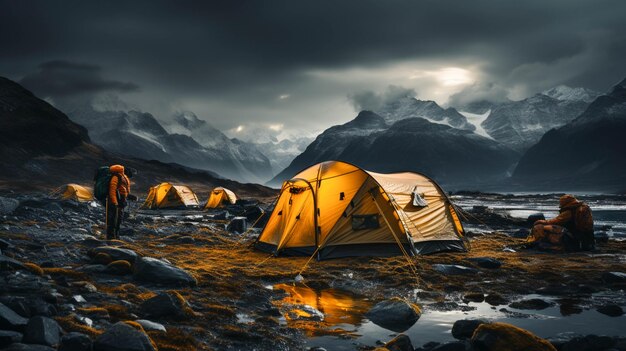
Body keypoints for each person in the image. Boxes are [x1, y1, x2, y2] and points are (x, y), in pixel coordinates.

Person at [527, 194, 594, 251]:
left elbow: (556, 221)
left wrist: (540, 221)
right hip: (587, 237)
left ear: (565, 202)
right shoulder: (583, 208)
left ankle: (540, 242)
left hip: (575, 237)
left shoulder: (569, 211)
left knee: (540, 227)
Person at [106, 165, 136, 240]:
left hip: (120, 201)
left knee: (118, 218)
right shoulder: (116, 177)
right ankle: (111, 237)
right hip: (116, 202)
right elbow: (112, 190)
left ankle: (116, 235)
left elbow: (122, 189)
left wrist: (129, 196)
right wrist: (114, 202)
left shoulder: (122, 176)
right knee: (113, 219)